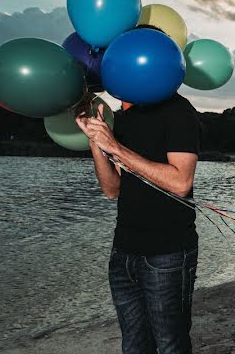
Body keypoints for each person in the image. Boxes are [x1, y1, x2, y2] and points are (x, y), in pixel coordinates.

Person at [77, 93, 201, 354]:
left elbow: (180, 184)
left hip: (167, 254)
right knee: (134, 345)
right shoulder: (126, 117)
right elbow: (112, 189)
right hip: (123, 252)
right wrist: (96, 142)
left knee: (170, 345)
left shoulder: (178, 110)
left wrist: (116, 147)